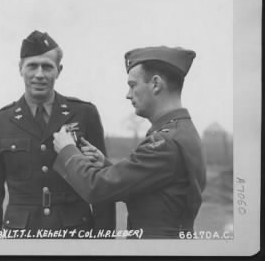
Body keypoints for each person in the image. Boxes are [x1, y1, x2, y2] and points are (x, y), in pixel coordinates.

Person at [53, 46, 206, 239]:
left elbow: (96, 189)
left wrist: (68, 150)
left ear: (156, 84)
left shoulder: (165, 143)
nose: (128, 94)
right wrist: (106, 165)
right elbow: (149, 188)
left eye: (133, 85)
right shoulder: (180, 131)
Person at [0, 30, 115, 238]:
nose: (39, 74)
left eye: (47, 67)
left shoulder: (85, 114)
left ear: (59, 70)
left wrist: (104, 244)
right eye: (32, 66)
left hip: (75, 235)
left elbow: (101, 183)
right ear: (20, 69)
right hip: (20, 237)